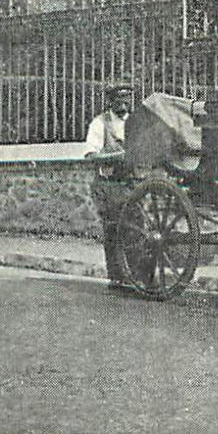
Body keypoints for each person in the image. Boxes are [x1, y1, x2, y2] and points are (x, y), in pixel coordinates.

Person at [84, 83, 135, 288]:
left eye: (127, 98)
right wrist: (118, 156)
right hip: (109, 184)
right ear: (110, 101)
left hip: (132, 184)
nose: (124, 103)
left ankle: (136, 276)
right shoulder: (100, 123)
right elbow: (91, 155)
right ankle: (117, 277)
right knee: (114, 229)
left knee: (135, 229)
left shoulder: (135, 123)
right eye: (119, 99)